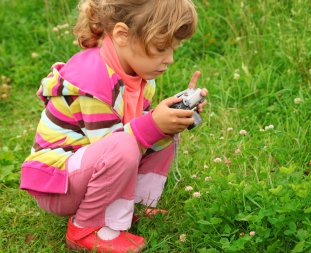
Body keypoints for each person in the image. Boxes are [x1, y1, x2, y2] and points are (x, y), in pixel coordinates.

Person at [19, 0, 207, 252]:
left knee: (163, 128)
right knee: (133, 138)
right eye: (162, 47)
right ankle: (87, 227)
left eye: (174, 48)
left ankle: (135, 206)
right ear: (121, 35)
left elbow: (130, 139)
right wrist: (154, 123)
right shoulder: (92, 82)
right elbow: (115, 147)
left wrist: (170, 119)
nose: (170, 59)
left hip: (85, 171)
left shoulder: (137, 76)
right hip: (57, 185)